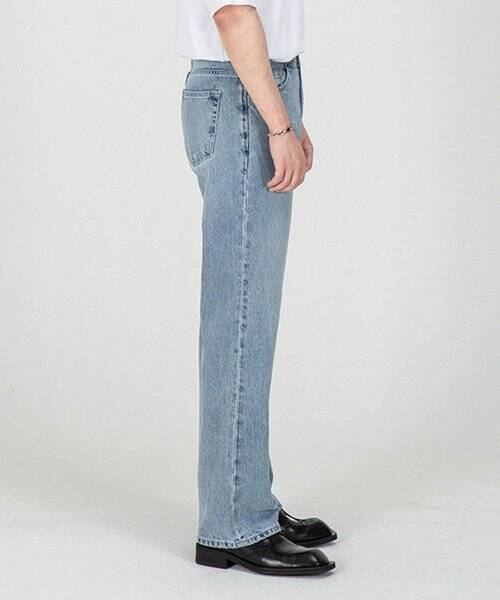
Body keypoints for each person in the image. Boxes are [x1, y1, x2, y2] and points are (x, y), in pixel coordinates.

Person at [175, 1, 337, 576]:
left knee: (248, 313)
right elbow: (234, 16)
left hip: (254, 87)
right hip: (241, 92)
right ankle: (232, 522)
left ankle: (248, 497)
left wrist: (287, 113)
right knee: (240, 317)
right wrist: (278, 123)